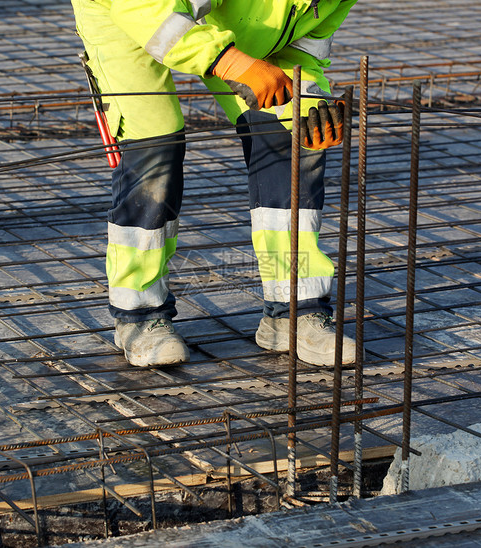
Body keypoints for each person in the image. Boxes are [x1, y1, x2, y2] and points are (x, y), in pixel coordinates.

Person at [71, 0, 358, 367]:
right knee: (155, 145)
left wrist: (310, 103)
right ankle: (139, 317)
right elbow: (150, 13)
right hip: (131, 12)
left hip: (225, 20)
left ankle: (295, 312)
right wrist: (234, 64)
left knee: (293, 132)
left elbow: (302, 49)